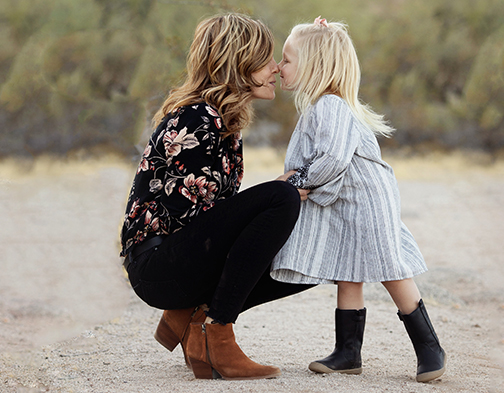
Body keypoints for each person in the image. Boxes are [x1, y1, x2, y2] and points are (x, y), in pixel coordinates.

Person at [119, 13, 313, 381]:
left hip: (177, 259)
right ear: (239, 64)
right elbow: (190, 221)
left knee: (310, 263)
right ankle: (215, 330)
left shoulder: (223, 121)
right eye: (265, 59)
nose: (275, 68)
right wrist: (276, 196)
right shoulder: (198, 119)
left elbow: (214, 221)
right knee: (281, 200)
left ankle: (190, 320)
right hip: (157, 265)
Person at [271, 17, 446, 383]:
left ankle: (429, 347)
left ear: (314, 66)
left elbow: (333, 158)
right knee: (347, 271)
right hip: (347, 200)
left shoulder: (331, 107)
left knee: (391, 268)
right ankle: (347, 352)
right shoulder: (320, 107)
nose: (278, 66)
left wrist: (297, 183)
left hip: (366, 200)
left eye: (286, 59)